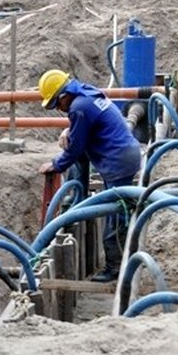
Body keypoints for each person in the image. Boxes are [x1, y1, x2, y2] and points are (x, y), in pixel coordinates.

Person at [37, 69, 141, 283]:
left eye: (57, 104)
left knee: (115, 215)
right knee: (117, 209)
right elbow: (82, 132)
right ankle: (79, 197)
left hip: (117, 162)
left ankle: (116, 269)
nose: (59, 109)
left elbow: (74, 150)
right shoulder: (87, 93)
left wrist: (56, 165)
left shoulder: (78, 107)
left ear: (64, 95)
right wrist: (70, 130)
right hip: (123, 155)